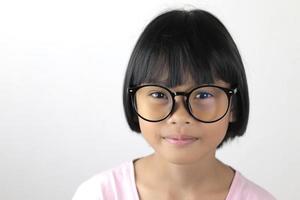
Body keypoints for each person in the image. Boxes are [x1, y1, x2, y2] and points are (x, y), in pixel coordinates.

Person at [72, 9, 276, 200]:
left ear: (234, 106)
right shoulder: (100, 194)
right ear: (134, 101)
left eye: (203, 95)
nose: (179, 117)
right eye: (159, 94)